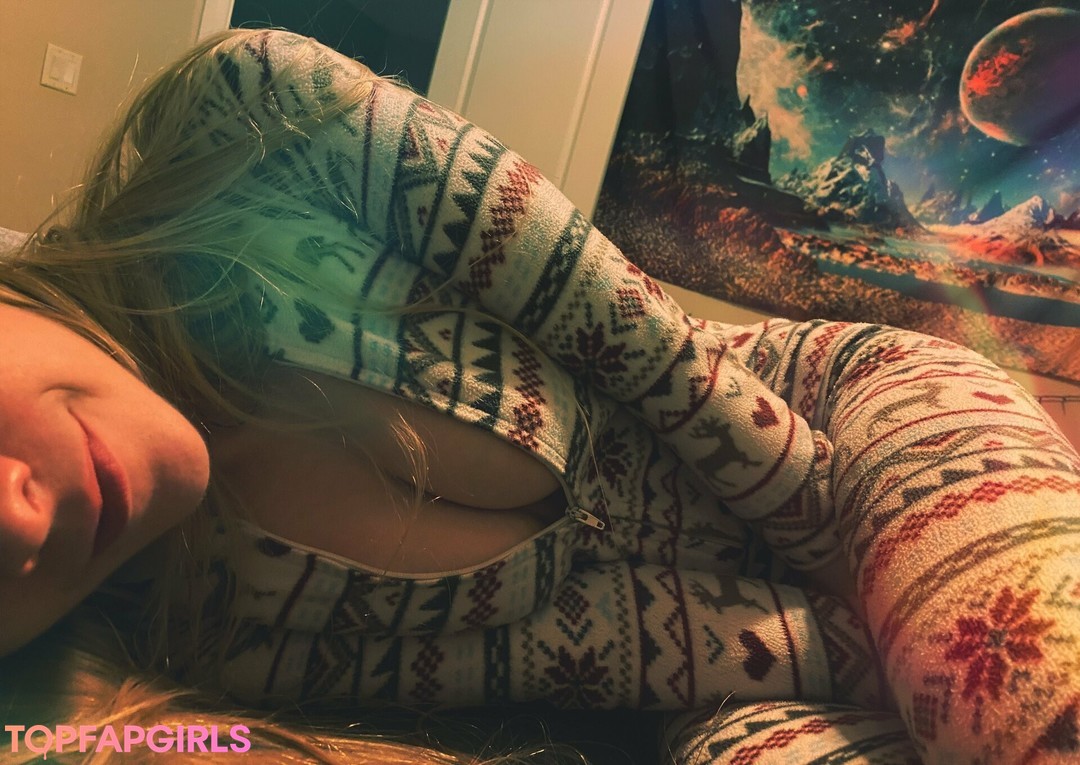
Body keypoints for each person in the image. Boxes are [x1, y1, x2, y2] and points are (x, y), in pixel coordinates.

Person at [1, 29, 1077, 765]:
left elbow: (667, 363)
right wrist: (861, 664)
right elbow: (592, 657)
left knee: (1018, 684)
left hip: (828, 421)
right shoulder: (192, 640)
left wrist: (902, 603)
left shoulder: (244, 129)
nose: (11, 524)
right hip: (733, 680)